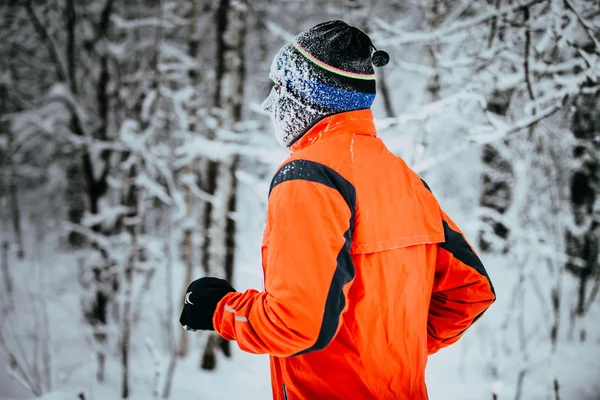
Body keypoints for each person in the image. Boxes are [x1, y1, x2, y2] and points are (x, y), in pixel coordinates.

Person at [179, 20, 496, 400]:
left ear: (307, 96)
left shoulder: (309, 176)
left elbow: (292, 324)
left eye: (278, 89)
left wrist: (221, 310)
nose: (268, 105)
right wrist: (386, 352)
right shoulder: (406, 180)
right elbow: (470, 291)